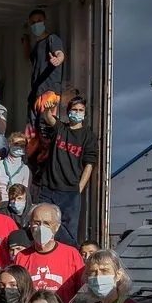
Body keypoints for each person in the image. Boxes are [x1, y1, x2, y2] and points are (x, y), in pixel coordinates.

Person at [38, 96, 97, 246]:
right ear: (68, 111)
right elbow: (49, 118)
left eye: (80, 110)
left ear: (85, 113)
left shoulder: (88, 136)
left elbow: (89, 165)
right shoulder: (60, 128)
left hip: (70, 192)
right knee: (43, 227)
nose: (77, 112)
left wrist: (79, 188)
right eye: (74, 110)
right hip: (49, 188)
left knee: (68, 234)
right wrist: (48, 108)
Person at [14, 203, 84, 303]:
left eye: (46, 223)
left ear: (57, 227)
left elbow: (82, 290)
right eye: (36, 223)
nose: (41, 228)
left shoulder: (72, 255)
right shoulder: (21, 257)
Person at [23, 8, 66, 130]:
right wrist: (25, 42)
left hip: (49, 91)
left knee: (45, 129)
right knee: (32, 132)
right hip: (36, 93)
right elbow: (28, 60)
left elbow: (60, 53)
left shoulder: (52, 38)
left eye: (39, 21)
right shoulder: (37, 46)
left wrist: (58, 59)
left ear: (45, 22)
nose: (36, 24)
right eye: (33, 22)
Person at [0, 133, 31, 202]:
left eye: (22, 146)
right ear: (9, 145)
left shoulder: (25, 169)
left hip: (15, 204)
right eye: (16, 144)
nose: (19, 147)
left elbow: (24, 192)